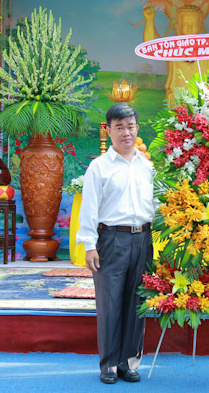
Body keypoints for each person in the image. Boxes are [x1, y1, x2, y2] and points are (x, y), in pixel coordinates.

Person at [77, 103, 155, 385]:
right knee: (110, 303)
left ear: (137, 128)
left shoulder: (148, 167)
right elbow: (89, 207)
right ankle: (109, 364)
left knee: (137, 301)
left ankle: (129, 362)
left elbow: (155, 204)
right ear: (108, 131)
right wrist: (89, 245)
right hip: (111, 239)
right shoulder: (99, 167)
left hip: (143, 239)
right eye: (119, 127)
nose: (126, 132)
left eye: (130, 126)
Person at [143, 4, 209, 104]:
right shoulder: (173, 47)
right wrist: (149, 20)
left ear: (201, 26)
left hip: (202, 99)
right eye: (186, 24)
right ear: (178, 26)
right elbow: (149, 46)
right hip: (176, 96)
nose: (189, 27)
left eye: (193, 24)